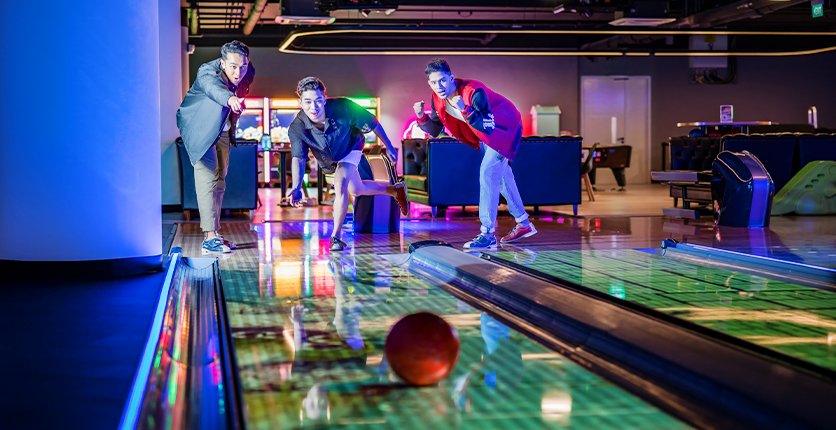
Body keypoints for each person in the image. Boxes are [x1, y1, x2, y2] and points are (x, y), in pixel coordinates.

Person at [413, 59, 537, 250]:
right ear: (429, 83)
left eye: (443, 80)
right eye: (434, 82)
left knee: (487, 173)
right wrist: (422, 117)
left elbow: (488, 126)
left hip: (504, 129)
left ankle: (487, 233)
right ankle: (523, 223)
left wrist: (464, 107)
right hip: (485, 136)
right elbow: (437, 129)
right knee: (502, 177)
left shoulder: (473, 91)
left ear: (451, 78)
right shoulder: (436, 98)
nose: (439, 86)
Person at [287, 77, 407, 251]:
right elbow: (298, 158)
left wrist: (388, 146)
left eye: (318, 101)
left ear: (324, 98)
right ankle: (394, 190)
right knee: (357, 190)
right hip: (329, 160)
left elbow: (372, 123)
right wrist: (297, 186)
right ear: (300, 103)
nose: (314, 107)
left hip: (351, 147)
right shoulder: (297, 128)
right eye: (308, 102)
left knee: (340, 183)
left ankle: (336, 236)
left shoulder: (343, 107)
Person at [176, 40, 255, 254]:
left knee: (220, 182)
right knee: (208, 178)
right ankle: (209, 238)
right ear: (222, 63)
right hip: (200, 130)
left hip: (222, 130)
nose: (238, 72)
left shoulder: (248, 71)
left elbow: (241, 87)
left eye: (243, 66)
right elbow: (214, 88)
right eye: (233, 67)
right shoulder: (206, 72)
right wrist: (230, 99)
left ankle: (215, 234)